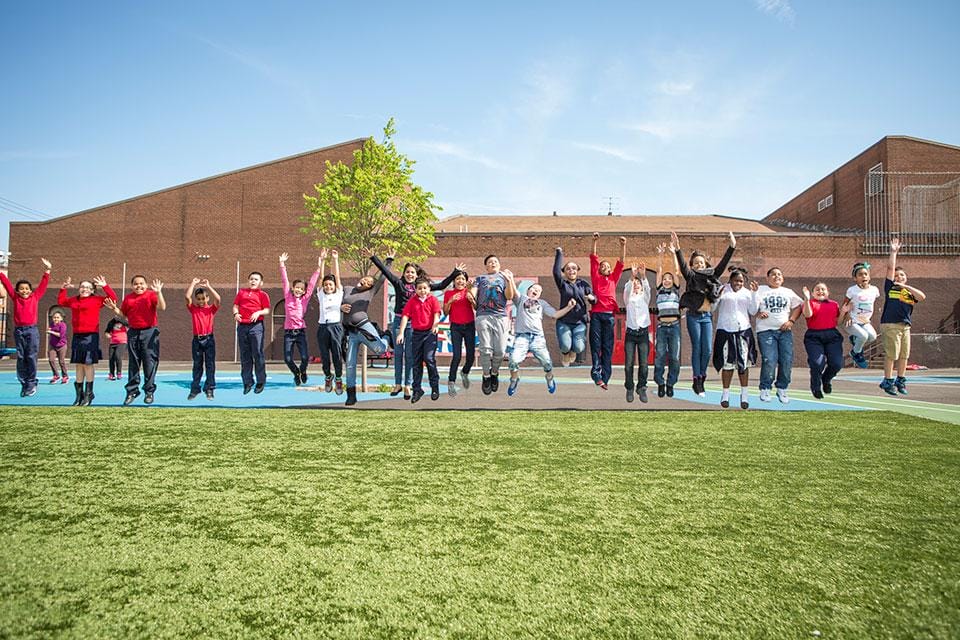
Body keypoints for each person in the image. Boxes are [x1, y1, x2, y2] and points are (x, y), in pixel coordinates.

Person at [371, 254, 461, 398]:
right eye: (407, 272)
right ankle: (398, 384)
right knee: (398, 353)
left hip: (414, 324)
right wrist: (378, 258)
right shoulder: (399, 283)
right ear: (404, 273)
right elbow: (385, 271)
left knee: (410, 355)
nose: (409, 274)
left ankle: (408, 384)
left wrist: (455, 273)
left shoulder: (422, 287)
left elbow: (442, 285)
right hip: (399, 322)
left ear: (417, 274)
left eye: (412, 272)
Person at [672, 231, 737, 397]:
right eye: (695, 263)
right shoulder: (691, 276)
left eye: (701, 262)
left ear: (705, 264)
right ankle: (697, 381)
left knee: (707, 349)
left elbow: (723, 264)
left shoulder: (712, 275)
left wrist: (732, 246)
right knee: (698, 347)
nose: (698, 265)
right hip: (694, 316)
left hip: (706, 318)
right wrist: (678, 250)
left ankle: (702, 377)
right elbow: (683, 266)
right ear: (693, 265)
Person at [505, 276, 576, 397]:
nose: (536, 291)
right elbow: (513, 293)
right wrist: (510, 279)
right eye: (534, 288)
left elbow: (554, 315)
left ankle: (549, 377)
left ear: (540, 295)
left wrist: (569, 307)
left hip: (537, 338)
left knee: (547, 363)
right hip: (522, 337)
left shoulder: (542, 303)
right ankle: (514, 379)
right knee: (513, 361)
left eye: (538, 290)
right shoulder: (521, 299)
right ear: (528, 290)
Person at [340, 253, 392, 406]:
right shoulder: (347, 289)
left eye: (369, 282)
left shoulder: (369, 293)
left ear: (370, 287)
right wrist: (339, 307)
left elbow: (383, 277)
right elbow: (333, 298)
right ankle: (351, 395)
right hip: (350, 332)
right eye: (365, 279)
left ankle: (386, 336)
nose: (365, 281)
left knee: (381, 350)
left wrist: (388, 261)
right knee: (349, 364)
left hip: (364, 327)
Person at [105, 275, 166, 405]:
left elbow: (162, 307)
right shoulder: (128, 298)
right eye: (136, 284)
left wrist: (159, 292)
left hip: (150, 332)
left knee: (149, 363)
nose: (139, 286)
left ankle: (149, 391)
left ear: (146, 284)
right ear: (132, 286)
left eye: (141, 283)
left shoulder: (151, 295)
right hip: (133, 332)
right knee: (134, 363)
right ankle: (132, 391)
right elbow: (123, 314)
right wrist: (114, 308)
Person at [57, 275, 117, 406]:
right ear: (79, 288)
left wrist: (105, 286)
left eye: (88, 287)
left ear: (92, 290)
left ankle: (89, 394)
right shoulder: (73, 301)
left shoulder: (96, 300)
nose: (85, 289)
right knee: (79, 364)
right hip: (77, 336)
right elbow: (61, 302)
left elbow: (113, 299)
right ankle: (79, 395)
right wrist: (63, 289)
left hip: (90, 336)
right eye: (82, 287)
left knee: (88, 364)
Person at [878, 238, 926, 396]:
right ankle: (888, 380)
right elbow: (891, 267)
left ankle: (901, 379)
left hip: (905, 326)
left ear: (906, 278)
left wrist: (906, 286)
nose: (899, 278)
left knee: (904, 355)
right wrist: (893, 252)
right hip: (890, 325)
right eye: (897, 276)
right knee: (892, 354)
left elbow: (922, 296)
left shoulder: (909, 293)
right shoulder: (890, 287)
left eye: (902, 276)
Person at [0, 257, 51, 396]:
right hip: (19, 331)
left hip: (31, 330)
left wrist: (47, 271)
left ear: (30, 290)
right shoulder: (15, 298)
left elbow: (43, 286)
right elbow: (5, 282)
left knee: (31, 356)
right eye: (21, 289)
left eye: (27, 289)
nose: (24, 291)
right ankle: (24, 383)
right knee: (21, 357)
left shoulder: (35, 297)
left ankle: (32, 382)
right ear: (17, 291)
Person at [753, 267, 803, 403]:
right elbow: (751, 306)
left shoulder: (788, 292)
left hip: (784, 331)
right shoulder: (761, 289)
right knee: (769, 359)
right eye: (773, 275)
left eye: (779, 274)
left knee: (786, 360)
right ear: (767, 278)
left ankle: (782, 387)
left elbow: (800, 306)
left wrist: (791, 320)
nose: (776, 277)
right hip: (765, 331)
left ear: (783, 278)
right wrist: (757, 313)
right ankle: (765, 387)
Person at [712, 268, 758, 409]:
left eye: (741, 281)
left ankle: (744, 394)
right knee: (727, 364)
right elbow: (712, 308)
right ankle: (725, 394)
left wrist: (755, 294)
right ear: (730, 280)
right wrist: (717, 297)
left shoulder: (747, 293)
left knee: (743, 364)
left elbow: (753, 311)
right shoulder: (723, 290)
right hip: (725, 330)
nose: (738, 283)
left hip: (743, 331)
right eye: (736, 280)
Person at [472, 255, 516, 395]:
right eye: (490, 262)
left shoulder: (504, 278)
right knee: (485, 349)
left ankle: (494, 373)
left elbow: (509, 296)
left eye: (495, 262)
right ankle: (486, 376)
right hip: (483, 315)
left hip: (500, 317)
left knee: (500, 351)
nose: (493, 263)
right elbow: (473, 294)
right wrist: (470, 292)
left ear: (499, 265)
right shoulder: (480, 279)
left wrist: (509, 280)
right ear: (486, 266)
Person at [589, 233, 626, 390]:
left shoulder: (613, 278)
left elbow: (621, 262)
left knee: (607, 347)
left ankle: (605, 377)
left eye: (608, 267)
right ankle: (596, 375)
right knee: (596, 346)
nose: (605, 268)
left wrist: (623, 246)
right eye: (603, 266)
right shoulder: (596, 278)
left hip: (609, 316)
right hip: (597, 315)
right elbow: (593, 257)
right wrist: (594, 241)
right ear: (599, 270)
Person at [397, 277, 442, 403]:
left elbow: (436, 314)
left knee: (429, 359)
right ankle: (417, 390)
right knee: (416, 362)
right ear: (415, 290)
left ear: (429, 289)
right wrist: (401, 333)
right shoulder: (412, 301)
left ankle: (434, 387)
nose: (422, 290)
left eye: (425, 288)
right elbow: (405, 316)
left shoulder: (433, 299)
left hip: (430, 333)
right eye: (419, 288)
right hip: (416, 334)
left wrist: (435, 324)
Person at [280, 252, 321, 386]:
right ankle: (296, 373)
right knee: (287, 358)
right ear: (293, 288)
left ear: (304, 291)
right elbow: (284, 280)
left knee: (304, 357)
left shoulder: (305, 299)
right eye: (296, 287)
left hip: (300, 332)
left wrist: (318, 268)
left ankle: (302, 371)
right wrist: (282, 264)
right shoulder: (288, 296)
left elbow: (312, 285)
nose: (298, 290)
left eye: (301, 289)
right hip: (288, 333)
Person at [802, 282, 848, 399]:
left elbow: (838, 322)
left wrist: (843, 312)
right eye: (817, 289)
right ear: (812, 293)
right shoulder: (810, 303)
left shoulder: (833, 304)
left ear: (828, 293)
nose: (820, 291)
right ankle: (816, 387)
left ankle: (826, 379)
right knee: (817, 363)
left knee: (837, 363)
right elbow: (808, 315)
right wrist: (807, 300)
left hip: (832, 336)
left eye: (823, 289)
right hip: (814, 337)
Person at [552, 246, 595, 366]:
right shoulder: (563, 284)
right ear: (565, 272)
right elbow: (555, 272)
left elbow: (593, 298)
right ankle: (565, 353)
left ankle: (574, 351)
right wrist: (559, 253)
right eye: (568, 269)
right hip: (564, 321)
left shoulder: (583, 284)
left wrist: (592, 298)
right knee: (565, 345)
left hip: (579, 323)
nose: (571, 271)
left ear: (577, 270)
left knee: (579, 347)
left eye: (574, 268)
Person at [233, 271, 271, 394]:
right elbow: (235, 306)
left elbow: (266, 310)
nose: (253, 281)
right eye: (251, 279)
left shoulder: (263, 295)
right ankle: (247, 382)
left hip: (256, 327)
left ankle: (260, 381)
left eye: (256, 279)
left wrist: (258, 312)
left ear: (261, 282)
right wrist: (236, 313)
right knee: (245, 356)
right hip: (242, 327)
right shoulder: (241, 293)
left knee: (258, 354)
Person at [185, 278, 220, 400]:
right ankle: (195, 389)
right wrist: (193, 284)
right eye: (199, 299)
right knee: (197, 365)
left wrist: (209, 286)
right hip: (197, 340)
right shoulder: (193, 309)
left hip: (209, 339)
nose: (201, 301)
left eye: (204, 298)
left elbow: (218, 299)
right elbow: (187, 297)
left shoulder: (211, 309)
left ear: (207, 298)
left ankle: (209, 389)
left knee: (210, 365)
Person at [442, 269, 475, 397]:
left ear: (466, 282)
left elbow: (476, 307)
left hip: (469, 326)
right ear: (454, 281)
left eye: (462, 279)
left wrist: (471, 299)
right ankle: (451, 382)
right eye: (458, 279)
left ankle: (465, 372)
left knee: (471, 356)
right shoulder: (449, 293)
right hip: (455, 326)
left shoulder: (469, 292)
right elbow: (445, 312)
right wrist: (450, 301)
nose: (460, 281)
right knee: (457, 356)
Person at [841, 262, 881, 369]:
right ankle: (856, 353)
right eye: (860, 275)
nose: (864, 276)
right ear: (855, 278)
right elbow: (845, 305)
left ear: (869, 276)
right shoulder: (852, 290)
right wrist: (848, 315)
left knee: (872, 337)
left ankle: (855, 340)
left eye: (865, 274)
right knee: (863, 336)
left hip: (864, 321)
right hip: (852, 321)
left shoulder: (874, 290)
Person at [655, 243, 682, 398]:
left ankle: (671, 383)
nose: (666, 280)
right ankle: (660, 382)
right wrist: (660, 255)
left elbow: (676, 271)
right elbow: (658, 270)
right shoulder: (659, 289)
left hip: (674, 327)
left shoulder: (675, 290)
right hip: (662, 327)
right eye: (664, 279)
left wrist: (672, 254)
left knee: (674, 356)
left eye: (669, 279)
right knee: (659, 356)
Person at [316, 249, 345, 394]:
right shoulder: (321, 294)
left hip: (336, 327)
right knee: (325, 355)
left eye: (330, 285)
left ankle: (339, 379)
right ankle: (328, 376)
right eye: (326, 285)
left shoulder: (338, 294)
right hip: (323, 327)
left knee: (336, 354)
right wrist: (322, 260)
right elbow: (321, 277)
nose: (328, 287)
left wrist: (335, 260)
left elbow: (337, 277)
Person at [623, 261, 652, 403]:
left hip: (643, 333)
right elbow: (627, 290)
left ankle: (641, 387)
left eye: (637, 284)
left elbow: (648, 289)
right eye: (634, 284)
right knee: (628, 363)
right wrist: (631, 277)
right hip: (630, 334)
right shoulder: (628, 299)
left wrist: (643, 275)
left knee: (644, 363)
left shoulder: (645, 298)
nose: (636, 286)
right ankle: (629, 387)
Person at [103, 315, 128, 381]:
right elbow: (107, 331)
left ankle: (119, 373)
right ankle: (111, 374)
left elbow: (129, 325)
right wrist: (107, 335)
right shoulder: (111, 323)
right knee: (111, 358)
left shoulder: (124, 322)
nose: (116, 316)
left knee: (118, 356)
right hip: (113, 342)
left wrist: (120, 319)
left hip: (122, 342)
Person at [47, 310, 69, 384]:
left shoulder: (63, 325)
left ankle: (65, 376)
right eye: (54, 317)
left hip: (62, 345)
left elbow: (60, 335)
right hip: (52, 345)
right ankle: (56, 375)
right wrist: (49, 330)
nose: (56, 319)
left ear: (61, 319)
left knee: (61, 361)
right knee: (51, 360)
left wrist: (51, 332)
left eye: (57, 317)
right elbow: (50, 330)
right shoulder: (52, 324)